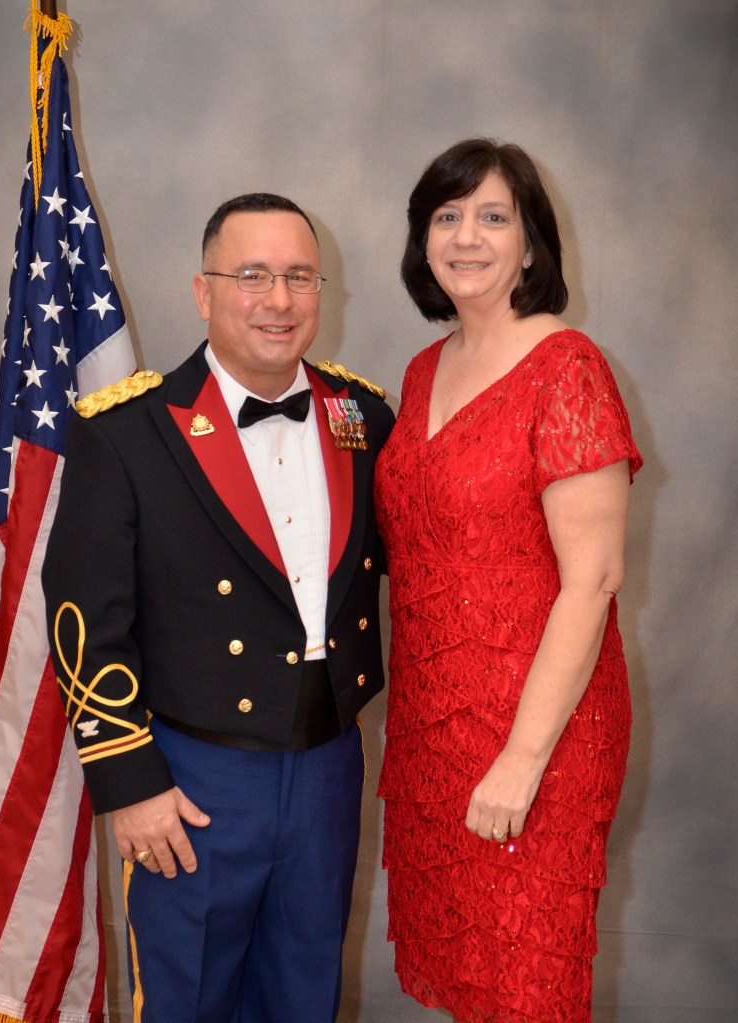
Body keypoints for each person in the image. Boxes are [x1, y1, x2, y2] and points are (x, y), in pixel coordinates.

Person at [41, 192, 394, 1023]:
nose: (279, 299)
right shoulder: (127, 432)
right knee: (186, 1001)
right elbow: (85, 615)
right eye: (252, 276)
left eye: (299, 277)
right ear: (204, 293)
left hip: (328, 764)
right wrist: (130, 778)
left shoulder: (362, 417)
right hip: (193, 778)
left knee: (305, 994)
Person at [374, 139, 642, 1022]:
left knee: (527, 980)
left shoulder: (569, 367)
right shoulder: (422, 372)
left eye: (494, 217)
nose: (466, 237)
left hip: (540, 730)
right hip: (433, 725)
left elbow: (593, 581)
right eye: (447, 216)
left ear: (531, 245)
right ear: (423, 240)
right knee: (470, 971)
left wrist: (522, 761)